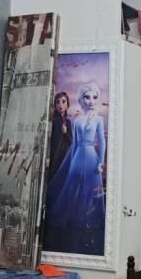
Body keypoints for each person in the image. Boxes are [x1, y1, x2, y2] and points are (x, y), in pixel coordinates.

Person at [43, 83, 106, 256]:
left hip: (92, 158)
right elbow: (75, 144)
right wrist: (70, 162)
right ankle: (73, 222)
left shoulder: (99, 120)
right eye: (87, 97)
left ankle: (88, 224)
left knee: (90, 190)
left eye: (94, 97)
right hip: (78, 156)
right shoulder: (77, 121)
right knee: (71, 189)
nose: (91, 101)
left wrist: (101, 162)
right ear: (81, 99)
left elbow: (102, 142)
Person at [49, 92, 73, 179]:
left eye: (63, 102)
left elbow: (71, 142)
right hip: (54, 157)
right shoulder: (53, 121)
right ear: (55, 105)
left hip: (64, 158)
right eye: (58, 102)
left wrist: (65, 132)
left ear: (67, 104)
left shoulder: (68, 122)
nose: (60, 105)